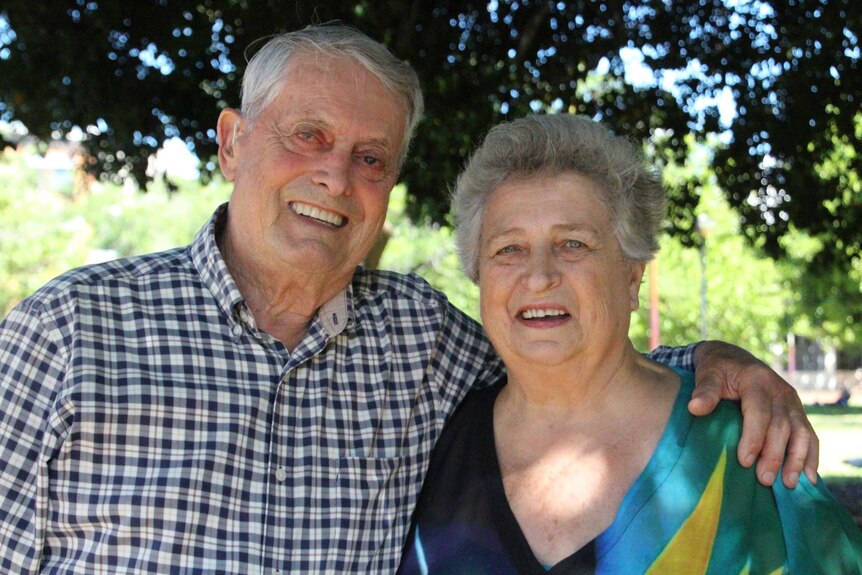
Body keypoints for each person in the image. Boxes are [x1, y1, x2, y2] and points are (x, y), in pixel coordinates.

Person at [0, 24, 817, 574]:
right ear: (231, 142)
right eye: (307, 137)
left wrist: (725, 366)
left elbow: (570, 359)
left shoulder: (421, 339)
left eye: (371, 157)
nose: (335, 176)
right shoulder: (71, 332)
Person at [397, 114, 862, 575]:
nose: (539, 276)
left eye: (573, 244)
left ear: (632, 277)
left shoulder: (748, 445)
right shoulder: (426, 443)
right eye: (508, 249)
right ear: (479, 278)